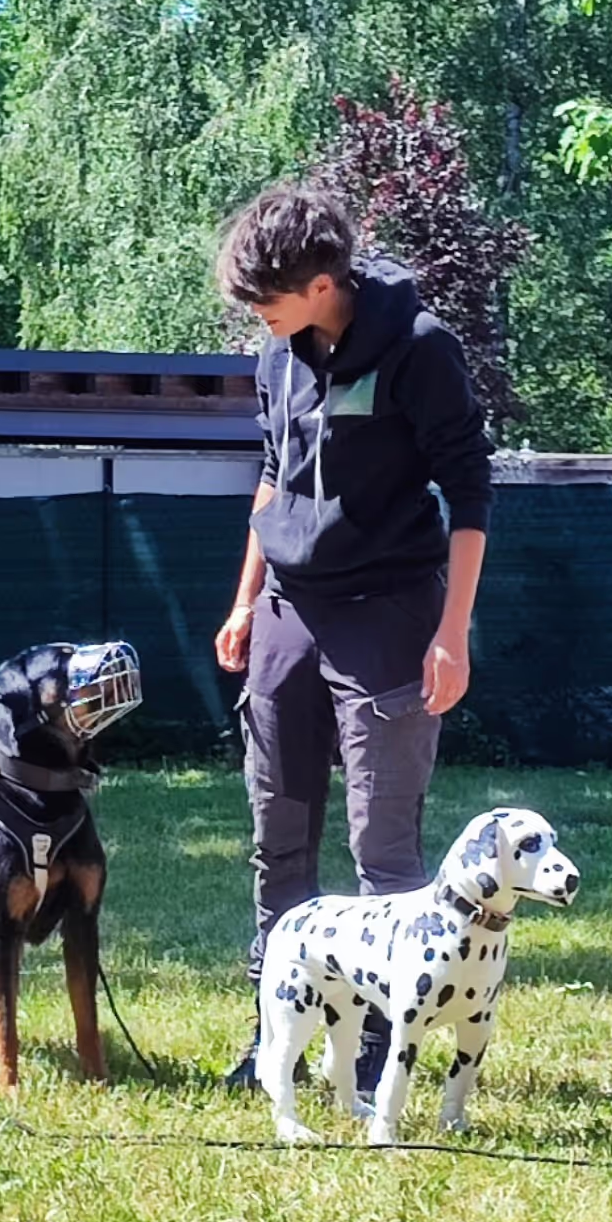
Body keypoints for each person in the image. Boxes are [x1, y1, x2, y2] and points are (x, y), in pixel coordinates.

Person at [210, 184, 492, 1094]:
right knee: (278, 833)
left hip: (389, 612)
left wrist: (451, 633)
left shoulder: (420, 347)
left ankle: (376, 1049)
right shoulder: (277, 353)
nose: (256, 315)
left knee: (384, 848)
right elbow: (272, 474)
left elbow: (470, 491)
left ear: (323, 283)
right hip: (288, 608)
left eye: (266, 298)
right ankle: (277, 1038)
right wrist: (245, 601)